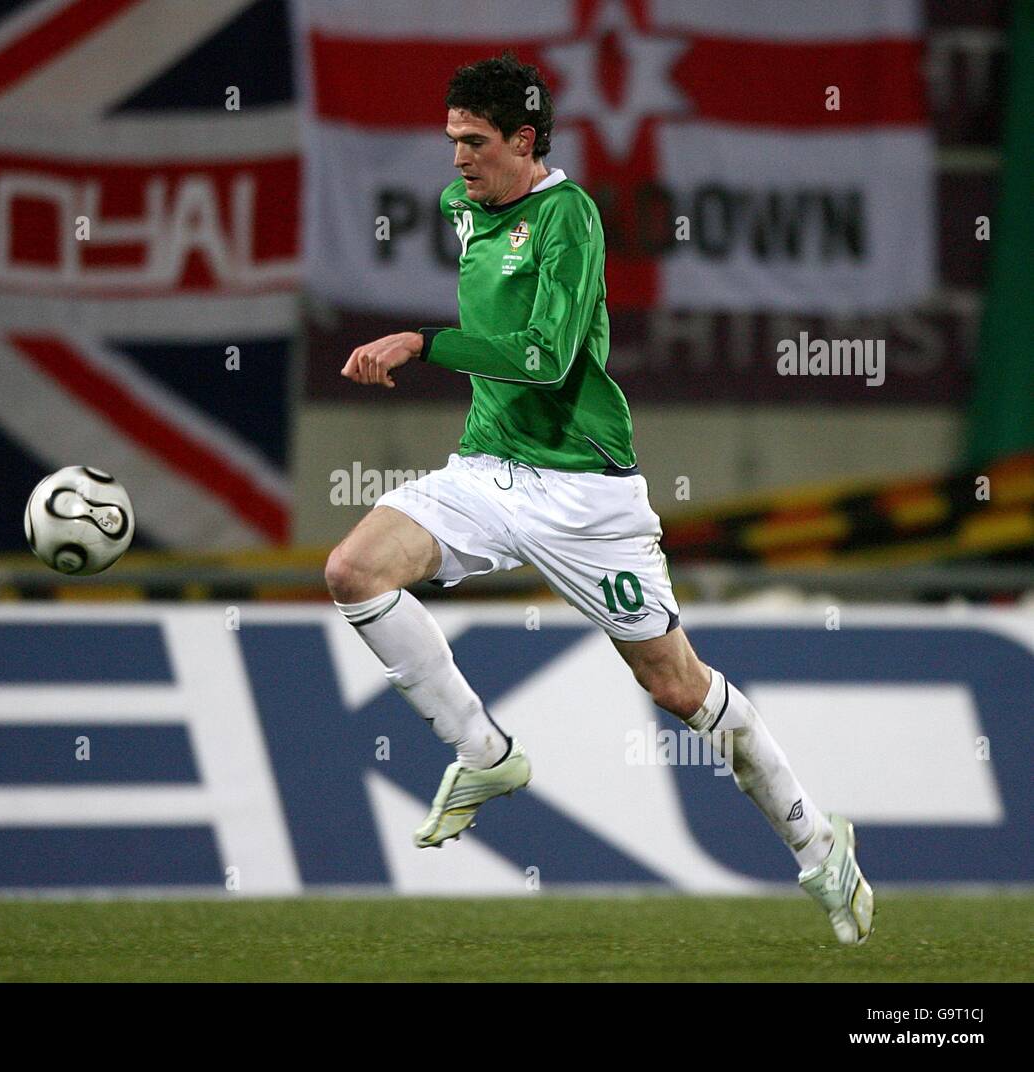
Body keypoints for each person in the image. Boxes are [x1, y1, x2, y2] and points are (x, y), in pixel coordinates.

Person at [325, 52, 874, 945]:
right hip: (485, 469)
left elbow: (545, 357)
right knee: (353, 571)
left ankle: (818, 845)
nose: (457, 160)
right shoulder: (463, 207)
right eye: (452, 141)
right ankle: (485, 754)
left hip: (585, 495)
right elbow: (501, 339)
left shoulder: (570, 218)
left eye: (475, 142)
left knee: (677, 686)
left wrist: (423, 344)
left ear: (525, 141)